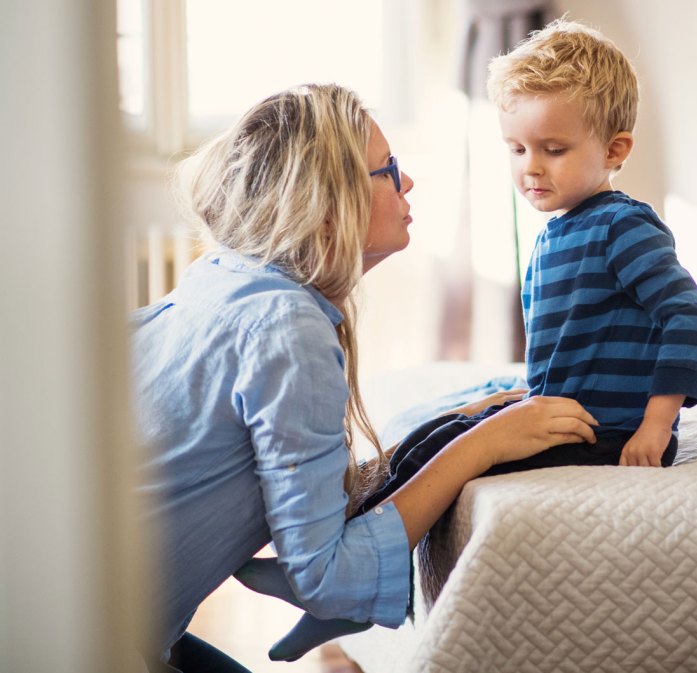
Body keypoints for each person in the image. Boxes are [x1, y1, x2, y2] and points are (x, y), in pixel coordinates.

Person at [237, 18, 697, 661]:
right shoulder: (561, 231)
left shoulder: (622, 228)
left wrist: (656, 425)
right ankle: (335, 575)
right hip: (568, 410)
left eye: (553, 149)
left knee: (449, 457)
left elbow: (687, 313)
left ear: (615, 149)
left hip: (606, 432)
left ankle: (343, 597)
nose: (531, 169)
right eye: (517, 149)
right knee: (432, 434)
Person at [130, 83, 600, 673]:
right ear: (328, 204)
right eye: (390, 170)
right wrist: (487, 444)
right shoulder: (287, 326)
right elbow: (325, 574)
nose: (407, 184)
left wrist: (451, 429)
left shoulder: (223, 277)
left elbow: (302, 489)